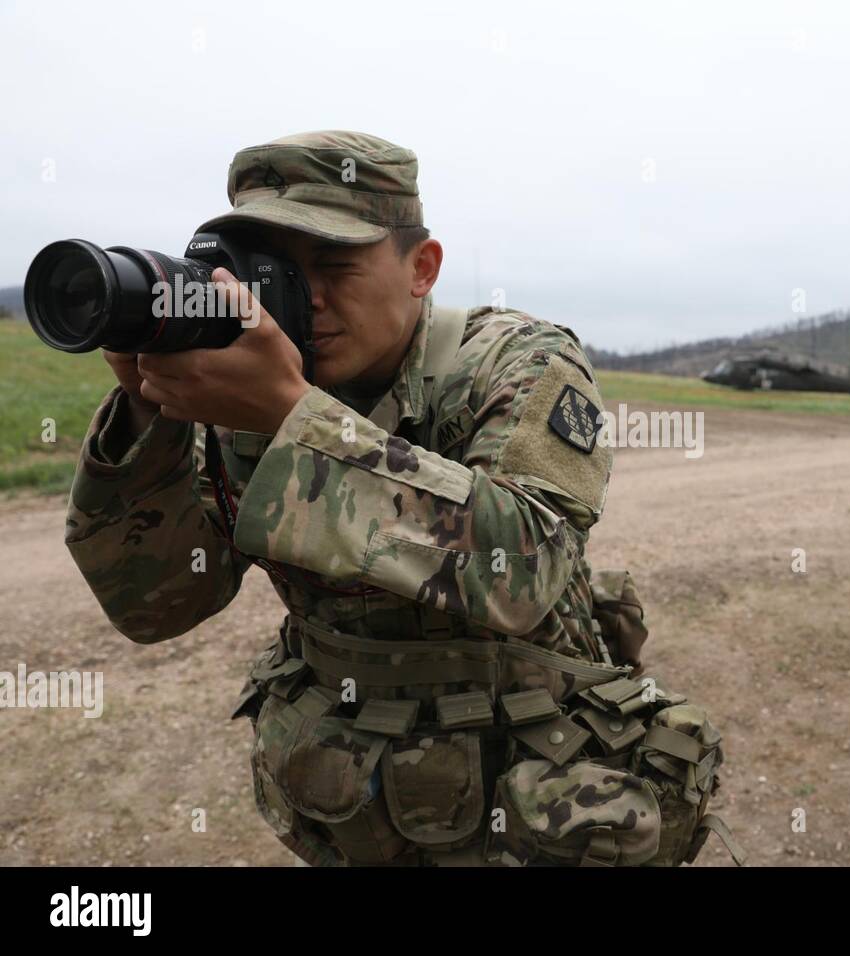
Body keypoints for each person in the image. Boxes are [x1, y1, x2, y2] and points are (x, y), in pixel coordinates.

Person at [64, 130, 744, 867]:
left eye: (334, 265)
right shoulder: (240, 385)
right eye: (274, 272)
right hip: (353, 796)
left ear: (422, 268)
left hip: (537, 788)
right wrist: (148, 418)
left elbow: (525, 567)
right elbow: (158, 604)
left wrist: (294, 417)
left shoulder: (513, 361)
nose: (305, 298)